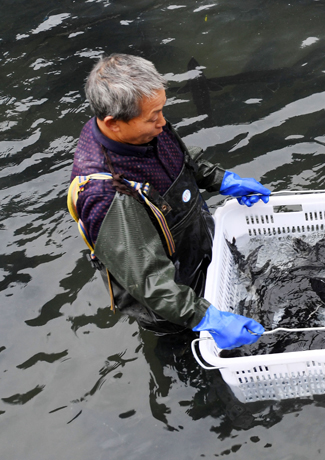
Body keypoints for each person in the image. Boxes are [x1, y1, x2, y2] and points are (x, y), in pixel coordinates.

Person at [68, 54, 270, 350]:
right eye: (153, 117)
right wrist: (204, 318)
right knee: (189, 353)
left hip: (197, 251)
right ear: (113, 123)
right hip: (167, 299)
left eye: (161, 111)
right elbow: (149, 281)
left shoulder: (142, 125)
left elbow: (181, 159)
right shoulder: (105, 194)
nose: (162, 122)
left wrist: (222, 180)